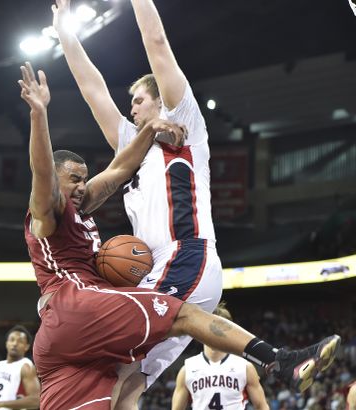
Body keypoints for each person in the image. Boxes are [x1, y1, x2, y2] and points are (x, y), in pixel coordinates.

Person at [52, 1, 341, 407]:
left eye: (138, 99)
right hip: (168, 272)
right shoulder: (132, 147)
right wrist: (64, 30)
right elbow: (91, 88)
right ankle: (284, 361)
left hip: (186, 259)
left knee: (110, 352)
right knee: (124, 376)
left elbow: (156, 41)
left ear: (159, 100)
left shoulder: (185, 124)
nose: (130, 106)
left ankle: (281, 359)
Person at [172, 303, 269, 410]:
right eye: (211, 328)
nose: (215, 333)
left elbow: (261, 406)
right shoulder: (187, 369)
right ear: (200, 330)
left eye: (219, 329)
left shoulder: (245, 367)